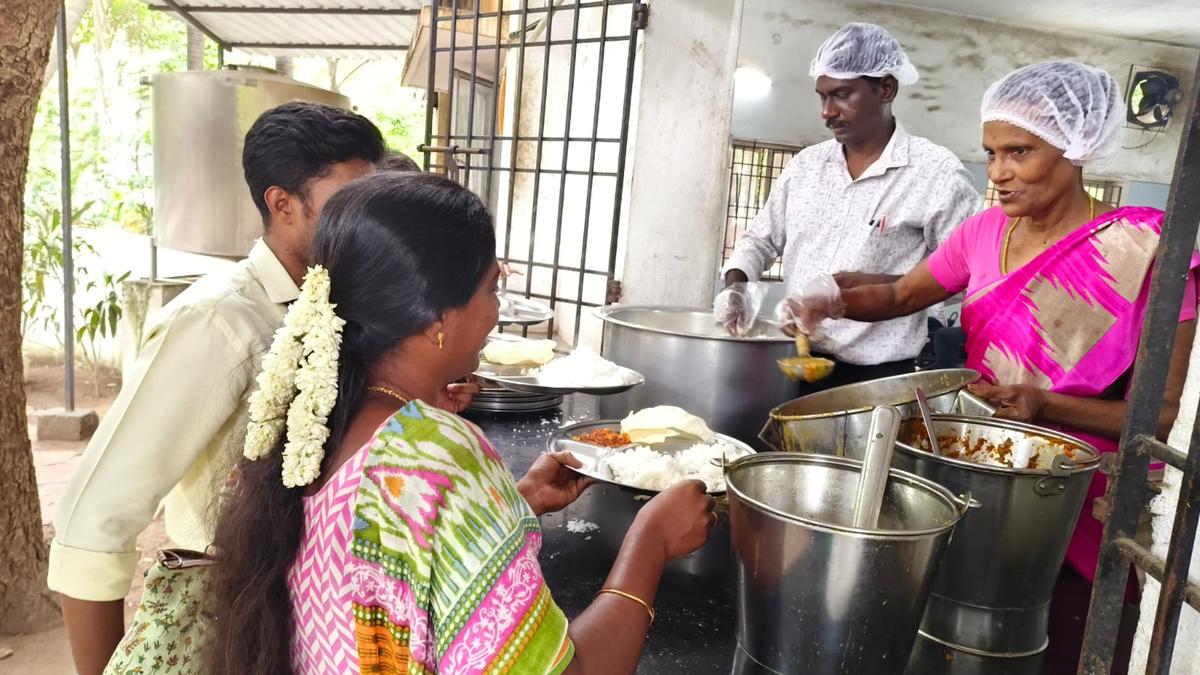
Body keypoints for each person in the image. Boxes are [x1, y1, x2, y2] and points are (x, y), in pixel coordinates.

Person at [204, 172, 717, 674]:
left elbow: (391, 552)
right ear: (435, 318)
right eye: (492, 288)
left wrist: (512, 505)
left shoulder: (320, 418)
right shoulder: (441, 452)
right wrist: (651, 540)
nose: (497, 312)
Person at [777, 60, 1199, 582]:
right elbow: (901, 294)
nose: (997, 172)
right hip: (981, 463)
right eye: (991, 153)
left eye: (1019, 152)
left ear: (1076, 149)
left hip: (1085, 490)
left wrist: (1044, 403)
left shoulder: (1147, 252)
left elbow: (1161, 417)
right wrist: (830, 298)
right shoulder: (983, 232)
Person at [47, 101, 397, 675]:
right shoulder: (218, 323)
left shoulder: (335, 301)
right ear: (282, 204)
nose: (366, 224)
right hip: (229, 625)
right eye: (347, 204)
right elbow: (94, 520)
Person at [714, 22, 980, 390]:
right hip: (799, 361)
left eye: (841, 95)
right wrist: (737, 287)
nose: (827, 112)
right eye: (822, 97)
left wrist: (862, 294)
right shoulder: (806, 166)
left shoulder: (936, 174)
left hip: (881, 376)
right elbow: (760, 238)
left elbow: (963, 274)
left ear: (886, 89)